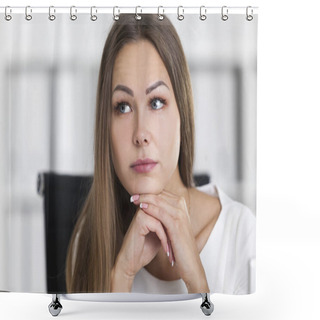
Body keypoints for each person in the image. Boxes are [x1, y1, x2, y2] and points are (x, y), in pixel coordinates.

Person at [66, 14, 255, 295]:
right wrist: (120, 277)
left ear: (183, 113)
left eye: (156, 102)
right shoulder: (89, 243)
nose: (141, 133)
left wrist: (197, 283)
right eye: (122, 107)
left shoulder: (242, 235)